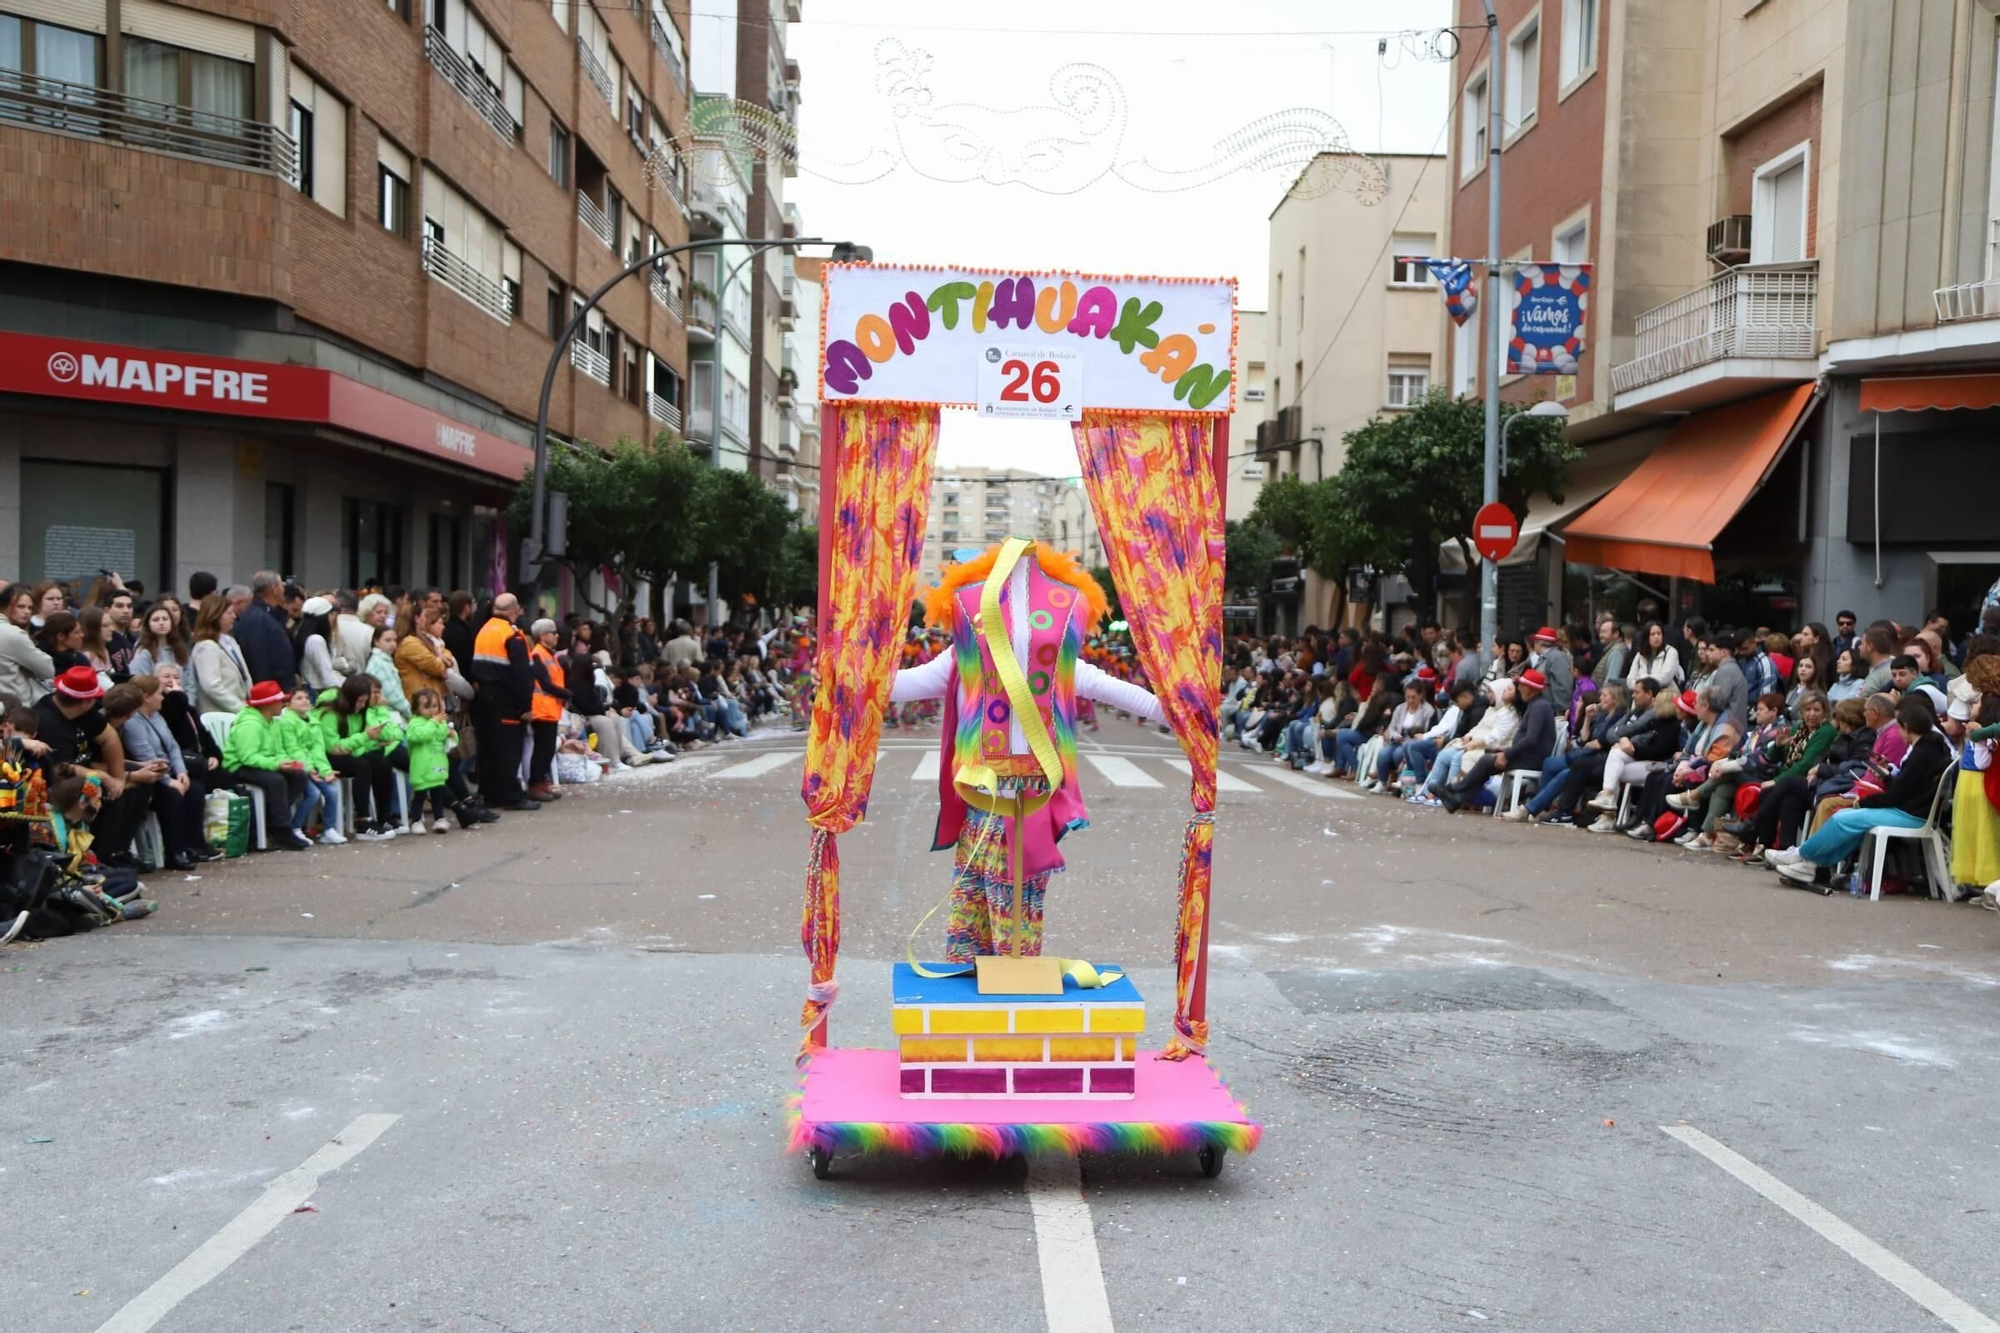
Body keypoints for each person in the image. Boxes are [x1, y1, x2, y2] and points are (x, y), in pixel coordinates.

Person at [888, 539, 1163, 959]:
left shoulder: (1049, 634)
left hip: (1020, 797)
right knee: (979, 903)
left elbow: (908, 684)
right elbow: (907, 683)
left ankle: (1004, 998)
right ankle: (986, 988)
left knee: (1007, 912)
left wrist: (1188, 713)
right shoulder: (970, 642)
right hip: (982, 794)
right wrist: (844, 682)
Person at [1771, 695, 1954, 890]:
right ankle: (1811, 864)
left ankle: (1803, 855)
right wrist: (1887, 778)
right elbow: (1906, 786)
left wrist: (1864, 803)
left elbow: (1897, 795)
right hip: (1911, 811)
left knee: (1842, 819)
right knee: (1845, 818)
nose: (1898, 733)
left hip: (1910, 815)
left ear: (1907, 727)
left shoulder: (1922, 753)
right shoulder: (1929, 748)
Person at [117, 674, 216, 869]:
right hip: (147, 774)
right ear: (146, 697)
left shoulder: (157, 715)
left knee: (195, 789)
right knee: (172, 796)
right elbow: (144, 754)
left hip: (168, 769)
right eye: (159, 694)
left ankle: (194, 845)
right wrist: (168, 781)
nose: (163, 698)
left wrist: (181, 772)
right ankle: (175, 852)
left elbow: (172, 746)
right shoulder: (133, 722)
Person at [1439, 668, 1555, 812]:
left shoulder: (1539, 706)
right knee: (1488, 757)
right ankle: (1457, 798)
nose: (1519, 689)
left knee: (1487, 761)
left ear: (1530, 689)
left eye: (1521, 686)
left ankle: (1455, 790)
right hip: (1526, 755)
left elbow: (1531, 739)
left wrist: (1508, 754)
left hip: (1532, 759)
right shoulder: (1535, 704)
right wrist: (1506, 751)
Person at [219, 679, 311, 851]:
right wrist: (277, 765)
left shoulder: (272, 722)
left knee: (298, 776)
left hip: (262, 763)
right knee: (276, 781)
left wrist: (286, 762)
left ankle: (270, 821)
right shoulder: (250, 725)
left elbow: (278, 750)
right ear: (268, 704)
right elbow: (247, 757)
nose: (283, 703)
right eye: (280, 700)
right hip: (238, 767)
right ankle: (282, 831)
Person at [470, 593, 537, 811]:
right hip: (506, 698)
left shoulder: (484, 630)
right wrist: (526, 706)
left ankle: (490, 795)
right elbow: (522, 675)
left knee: (489, 749)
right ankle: (512, 796)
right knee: (509, 749)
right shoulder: (512, 635)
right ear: (514, 610)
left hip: (484, 697)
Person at [319, 674, 401, 839]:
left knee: (381, 762)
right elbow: (334, 747)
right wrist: (364, 738)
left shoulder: (360, 712)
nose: (362, 705)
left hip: (351, 751)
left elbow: (353, 744)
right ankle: (363, 821)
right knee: (362, 766)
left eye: (365, 701)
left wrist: (367, 742)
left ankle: (384, 817)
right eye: (360, 701)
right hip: (327, 757)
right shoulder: (331, 714)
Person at [278, 685, 345, 846]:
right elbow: (293, 749)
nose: (305, 701)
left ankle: (328, 829)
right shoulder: (286, 722)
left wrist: (325, 770)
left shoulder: (314, 722)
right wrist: (308, 770)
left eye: (307, 698)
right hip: (297, 766)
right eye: (299, 698)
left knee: (331, 791)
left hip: (313, 766)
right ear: (288, 704)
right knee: (313, 794)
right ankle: (295, 827)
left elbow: (318, 749)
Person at [403, 688, 470, 834]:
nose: (431, 710)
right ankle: (416, 820)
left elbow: (448, 741)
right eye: (426, 707)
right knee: (420, 794)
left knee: (437, 793)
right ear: (416, 708)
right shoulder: (415, 723)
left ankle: (439, 818)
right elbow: (419, 736)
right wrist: (433, 723)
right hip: (422, 767)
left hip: (438, 765)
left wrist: (452, 735)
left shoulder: (438, 723)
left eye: (434, 706)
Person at [526, 618, 569, 800]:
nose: (556, 635)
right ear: (543, 636)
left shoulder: (547, 654)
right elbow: (545, 683)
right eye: (553, 632)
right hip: (542, 709)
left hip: (550, 708)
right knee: (542, 749)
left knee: (547, 748)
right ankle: (535, 784)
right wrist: (567, 693)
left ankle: (542, 782)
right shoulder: (538, 654)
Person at [188, 593, 252, 716]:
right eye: (229, 613)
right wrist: (240, 708)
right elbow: (212, 686)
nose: (234, 616)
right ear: (214, 615)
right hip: (220, 715)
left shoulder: (230, 641)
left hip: (241, 710)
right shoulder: (206, 647)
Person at [231, 571, 296, 692]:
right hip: (272, 688)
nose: (284, 587)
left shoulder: (271, 614)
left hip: (280, 685)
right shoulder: (258, 617)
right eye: (281, 584)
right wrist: (265, 691)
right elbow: (258, 656)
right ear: (274, 589)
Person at [0, 582, 55, 702]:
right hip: (14, 706)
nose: (27, 612)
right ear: (7, 605)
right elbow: (48, 669)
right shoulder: (14, 635)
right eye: (21, 606)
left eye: (30, 608)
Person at [128, 602, 188, 680]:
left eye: (165, 619)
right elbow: (140, 682)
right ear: (148, 624)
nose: (161, 623)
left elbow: (189, 682)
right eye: (156, 620)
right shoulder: (144, 653)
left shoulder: (180, 649)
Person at [294, 597, 343, 693]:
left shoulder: (303, 635)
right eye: (330, 614)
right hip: (316, 690)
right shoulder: (316, 640)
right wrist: (339, 693)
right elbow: (326, 672)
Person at [366, 625, 412, 720]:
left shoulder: (382, 660)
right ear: (376, 642)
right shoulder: (381, 664)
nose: (392, 644)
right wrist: (411, 713)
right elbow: (393, 696)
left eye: (395, 640)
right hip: (388, 714)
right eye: (388, 640)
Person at [1528, 627, 1573, 717]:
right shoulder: (1545, 658)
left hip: (1554, 711)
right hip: (1545, 709)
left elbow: (1563, 685)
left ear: (1538, 642)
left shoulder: (1556, 657)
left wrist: (1561, 710)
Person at [1626, 621, 1682, 691]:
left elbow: (1665, 678)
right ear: (1646, 637)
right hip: (1643, 697)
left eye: (1659, 633)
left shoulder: (1670, 652)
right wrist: (1641, 686)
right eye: (1652, 634)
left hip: (1664, 696)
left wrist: (1642, 678)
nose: (1656, 637)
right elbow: (1629, 681)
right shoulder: (1640, 655)